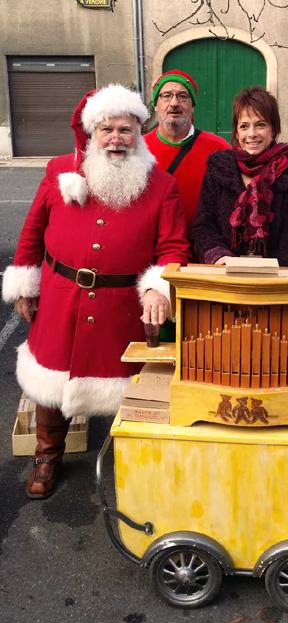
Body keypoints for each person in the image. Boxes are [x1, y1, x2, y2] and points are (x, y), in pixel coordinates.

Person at [2, 84, 189, 499]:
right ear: (92, 133)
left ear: (140, 131)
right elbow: (33, 232)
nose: (117, 139)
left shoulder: (161, 185)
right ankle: (48, 455)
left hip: (121, 306)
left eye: (126, 130)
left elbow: (174, 246)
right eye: (107, 130)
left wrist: (158, 287)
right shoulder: (58, 172)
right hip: (60, 294)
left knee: (128, 385)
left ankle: (133, 460)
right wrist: (25, 283)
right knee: (49, 380)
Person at [190, 86, 288, 266]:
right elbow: (203, 224)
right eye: (244, 126)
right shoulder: (219, 169)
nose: (252, 134)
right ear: (237, 133)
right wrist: (218, 255)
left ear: (273, 129)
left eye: (260, 125)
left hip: (275, 282)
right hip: (223, 278)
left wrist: (263, 275)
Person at [144, 69, 229, 231]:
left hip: (205, 250)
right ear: (156, 105)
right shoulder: (138, 149)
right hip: (154, 251)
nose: (174, 103)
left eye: (183, 96)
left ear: (193, 106)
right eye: (166, 95)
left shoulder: (219, 149)